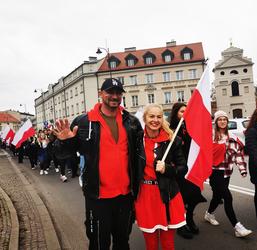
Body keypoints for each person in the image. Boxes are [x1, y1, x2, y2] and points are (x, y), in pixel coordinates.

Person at [53, 78, 142, 250]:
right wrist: (64, 142)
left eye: (118, 93)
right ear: (101, 93)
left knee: (123, 242)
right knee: (99, 244)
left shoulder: (131, 122)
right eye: (110, 92)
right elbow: (63, 154)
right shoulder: (83, 122)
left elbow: (139, 156)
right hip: (98, 196)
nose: (114, 96)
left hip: (125, 196)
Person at [134, 104, 187, 250]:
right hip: (145, 196)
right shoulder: (137, 140)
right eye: (151, 116)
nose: (155, 120)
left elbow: (183, 168)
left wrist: (167, 169)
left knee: (168, 244)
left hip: (168, 195)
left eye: (159, 116)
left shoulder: (172, 140)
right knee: (150, 244)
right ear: (145, 118)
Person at [204, 110, 252, 237]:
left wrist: (242, 169)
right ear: (216, 121)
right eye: (220, 119)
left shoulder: (232, 137)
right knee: (227, 197)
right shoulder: (210, 136)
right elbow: (203, 154)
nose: (222, 121)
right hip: (214, 173)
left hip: (226, 172)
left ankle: (209, 214)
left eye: (224, 119)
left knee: (217, 197)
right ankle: (238, 227)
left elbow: (238, 155)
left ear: (227, 121)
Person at [169, 102, 207, 239]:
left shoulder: (191, 128)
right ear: (175, 113)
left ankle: (189, 218)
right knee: (181, 199)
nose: (184, 114)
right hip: (179, 170)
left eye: (186, 111)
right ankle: (181, 225)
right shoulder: (170, 129)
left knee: (194, 196)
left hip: (192, 169)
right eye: (181, 111)